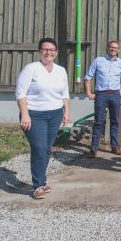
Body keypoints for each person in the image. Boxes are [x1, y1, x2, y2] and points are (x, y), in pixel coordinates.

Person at [15, 38, 70, 199]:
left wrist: (66, 111)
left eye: (52, 49)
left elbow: (65, 93)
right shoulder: (31, 69)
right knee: (39, 147)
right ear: (39, 51)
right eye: (45, 49)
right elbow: (20, 93)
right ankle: (38, 185)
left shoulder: (61, 71)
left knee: (46, 148)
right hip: (34, 114)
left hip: (55, 114)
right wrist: (25, 114)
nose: (48, 52)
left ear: (56, 52)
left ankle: (42, 181)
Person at [84, 41, 121, 158]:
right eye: (111, 47)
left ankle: (114, 146)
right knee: (98, 122)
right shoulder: (98, 61)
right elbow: (88, 77)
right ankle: (94, 148)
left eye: (116, 48)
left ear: (118, 50)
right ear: (108, 48)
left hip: (115, 95)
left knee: (115, 121)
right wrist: (89, 93)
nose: (113, 49)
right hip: (101, 95)